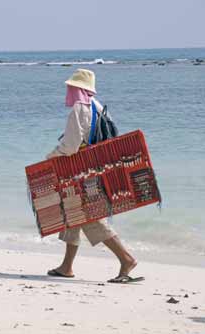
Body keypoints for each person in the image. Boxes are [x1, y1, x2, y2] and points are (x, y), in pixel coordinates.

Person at [46, 69, 140, 283]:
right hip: (97, 167)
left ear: (77, 88)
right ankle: (66, 266)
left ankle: (126, 258)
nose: (68, 90)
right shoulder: (98, 107)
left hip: (80, 168)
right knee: (74, 213)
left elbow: (70, 146)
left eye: (70, 86)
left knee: (90, 217)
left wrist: (50, 157)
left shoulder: (80, 109)